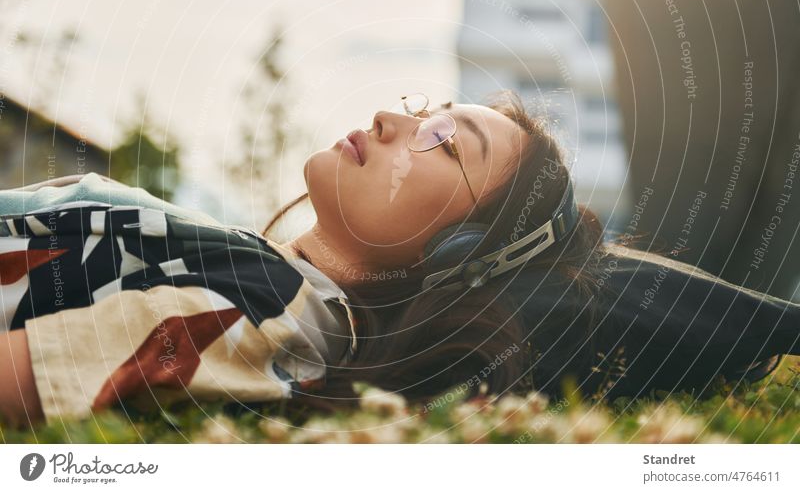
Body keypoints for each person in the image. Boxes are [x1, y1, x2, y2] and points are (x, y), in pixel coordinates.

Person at [1, 90, 798, 430]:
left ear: (453, 252)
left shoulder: (269, 302)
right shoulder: (243, 260)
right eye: (424, 111)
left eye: (445, 143)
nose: (391, 118)